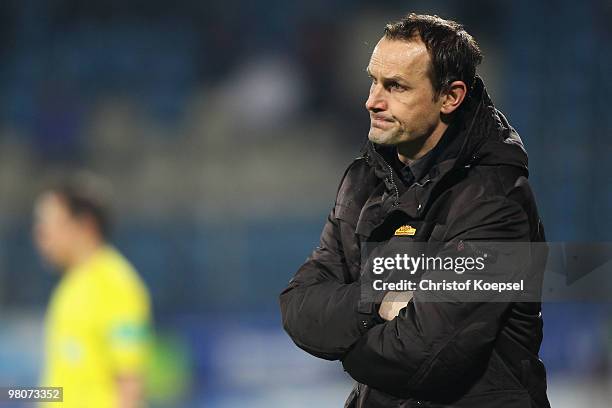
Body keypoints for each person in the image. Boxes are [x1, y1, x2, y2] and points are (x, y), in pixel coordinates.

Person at [280, 13, 550, 407]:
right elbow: (299, 306)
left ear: (450, 97)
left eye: (396, 86)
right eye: (373, 80)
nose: (372, 100)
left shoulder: (496, 201)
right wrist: (379, 302)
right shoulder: (362, 180)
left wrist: (344, 345)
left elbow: (426, 355)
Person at [33, 172, 152, 408]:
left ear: (85, 225)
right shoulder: (70, 286)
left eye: (49, 224)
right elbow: (58, 390)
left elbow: (130, 382)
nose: (41, 235)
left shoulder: (116, 284)